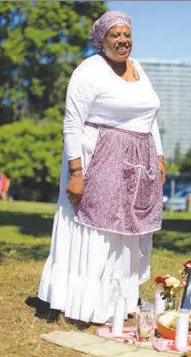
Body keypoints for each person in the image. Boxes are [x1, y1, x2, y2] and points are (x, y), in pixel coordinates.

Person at [37, 11, 166, 325]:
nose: (123, 41)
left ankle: (121, 300)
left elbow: (150, 118)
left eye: (127, 35)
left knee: (128, 231)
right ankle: (85, 302)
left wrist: (160, 158)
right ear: (102, 39)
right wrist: (76, 173)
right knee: (98, 227)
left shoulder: (139, 69)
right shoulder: (88, 71)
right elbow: (72, 124)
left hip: (138, 161)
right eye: (115, 36)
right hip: (98, 157)